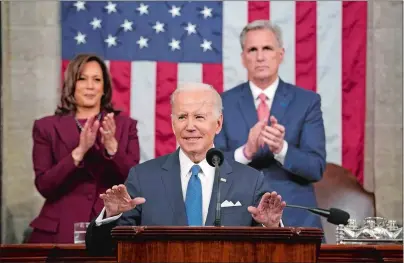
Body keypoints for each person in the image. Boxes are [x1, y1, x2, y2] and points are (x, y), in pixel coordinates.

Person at [85, 82, 286, 255]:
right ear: (173, 124)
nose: (190, 126)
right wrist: (111, 216)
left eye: (199, 117)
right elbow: (101, 249)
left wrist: (272, 227)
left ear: (218, 123)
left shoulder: (250, 182)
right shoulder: (143, 178)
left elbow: (273, 253)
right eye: (182, 117)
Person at [214, 20, 326, 230]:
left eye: (267, 48)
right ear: (243, 58)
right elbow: (211, 166)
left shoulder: (307, 102)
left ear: (280, 54)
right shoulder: (222, 103)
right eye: (252, 49)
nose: (260, 57)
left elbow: (316, 168)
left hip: (294, 216)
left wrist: (281, 149)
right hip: (238, 215)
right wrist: (246, 152)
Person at [27, 53, 141, 243]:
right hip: (59, 231)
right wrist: (78, 152)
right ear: (72, 84)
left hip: (109, 229)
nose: (90, 86)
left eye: (96, 79)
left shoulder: (124, 125)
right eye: (82, 79)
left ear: (104, 87)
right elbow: (44, 186)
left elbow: (134, 182)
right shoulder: (46, 127)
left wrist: (113, 147)